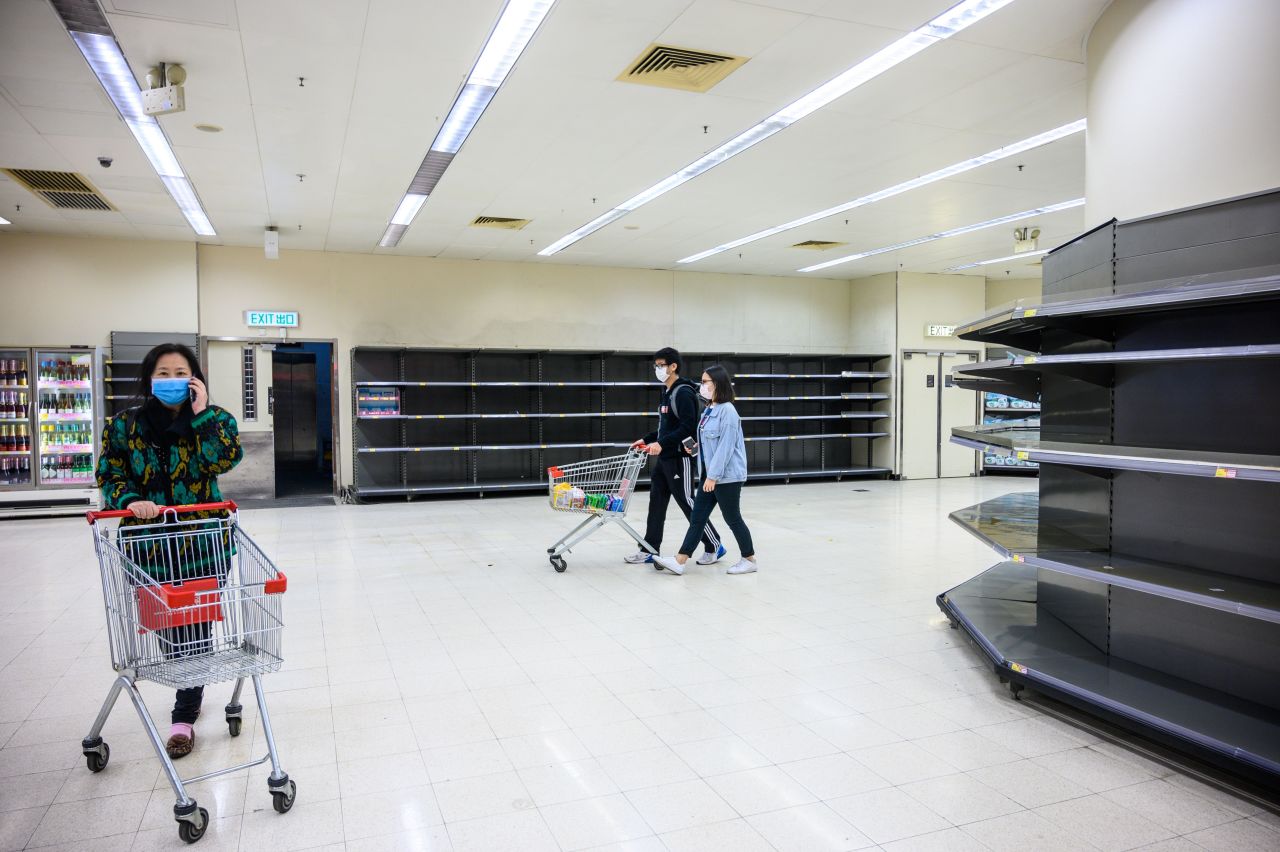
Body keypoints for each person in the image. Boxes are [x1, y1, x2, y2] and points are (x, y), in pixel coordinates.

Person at [96, 343, 243, 759]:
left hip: (203, 545)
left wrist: (202, 415)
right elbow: (108, 472)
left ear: (195, 379)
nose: (172, 380)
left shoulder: (216, 420)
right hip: (148, 548)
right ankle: (187, 682)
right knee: (167, 629)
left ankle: (184, 714)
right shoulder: (124, 426)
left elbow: (224, 461)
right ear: (148, 379)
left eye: (181, 372)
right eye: (163, 373)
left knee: (195, 628)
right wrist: (128, 499)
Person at [653, 365, 758, 575]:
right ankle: (680, 560)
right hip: (709, 475)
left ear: (717, 383)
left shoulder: (728, 411)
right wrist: (694, 449)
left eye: (705, 382)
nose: (701, 386)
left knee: (732, 518)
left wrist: (713, 476)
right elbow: (710, 444)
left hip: (725, 477)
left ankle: (749, 559)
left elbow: (726, 448)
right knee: (697, 519)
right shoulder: (710, 409)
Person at [625, 348, 725, 568]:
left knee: (688, 502)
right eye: (655, 366)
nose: (657, 369)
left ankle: (714, 544)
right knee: (656, 503)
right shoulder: (667, 392)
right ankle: (649, 548)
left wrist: (661, 444)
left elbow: (688, 427)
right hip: (664, 458)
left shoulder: (683, 392)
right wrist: (646, 439)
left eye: (661, 365)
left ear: (673, 366)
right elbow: (666, 428)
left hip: (680, 458)